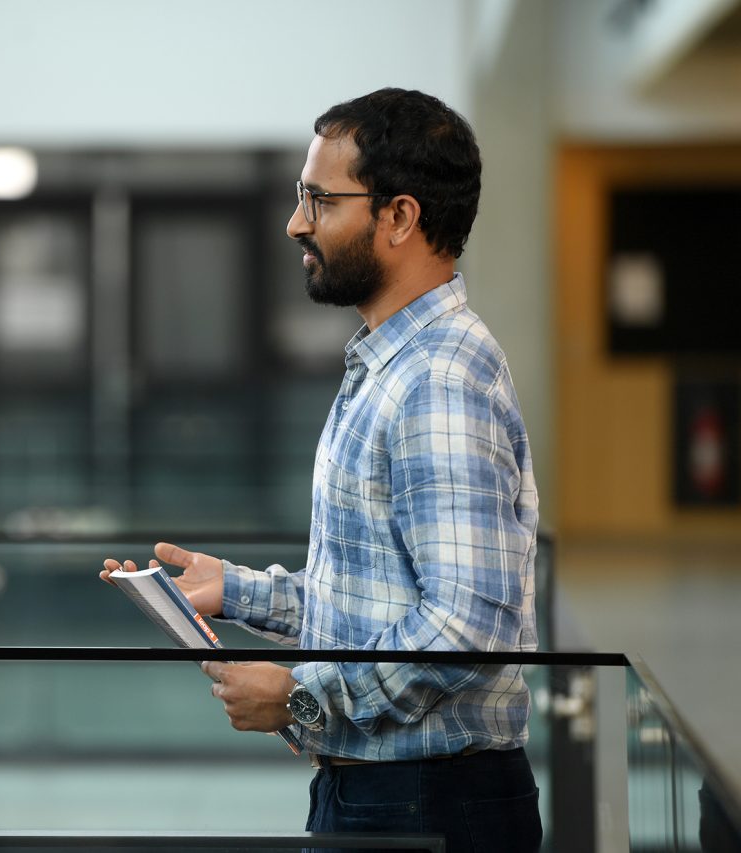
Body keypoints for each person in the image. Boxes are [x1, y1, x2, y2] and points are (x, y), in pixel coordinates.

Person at [102, 89, 542, 853]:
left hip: (429, 800)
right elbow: (381, 603)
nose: (296, 222)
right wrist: (234, 590)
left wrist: (303, 696)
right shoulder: (393, 363)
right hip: (387, 789)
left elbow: (467, 626)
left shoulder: (437, 378)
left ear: (399, 217)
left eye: (319, 199)